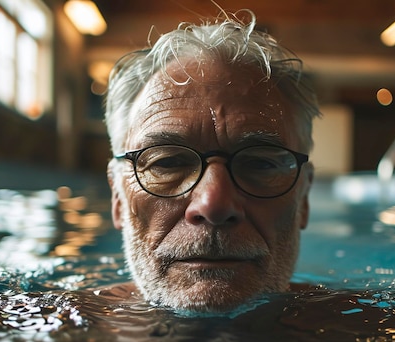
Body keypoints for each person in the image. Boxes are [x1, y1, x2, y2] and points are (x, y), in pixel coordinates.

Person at [103, 9, 319, 313]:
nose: (213, 205)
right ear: (117, 197)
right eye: (166, 163)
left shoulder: (373, 340)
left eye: (260, 164)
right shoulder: (56, 333)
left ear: (304, 198)